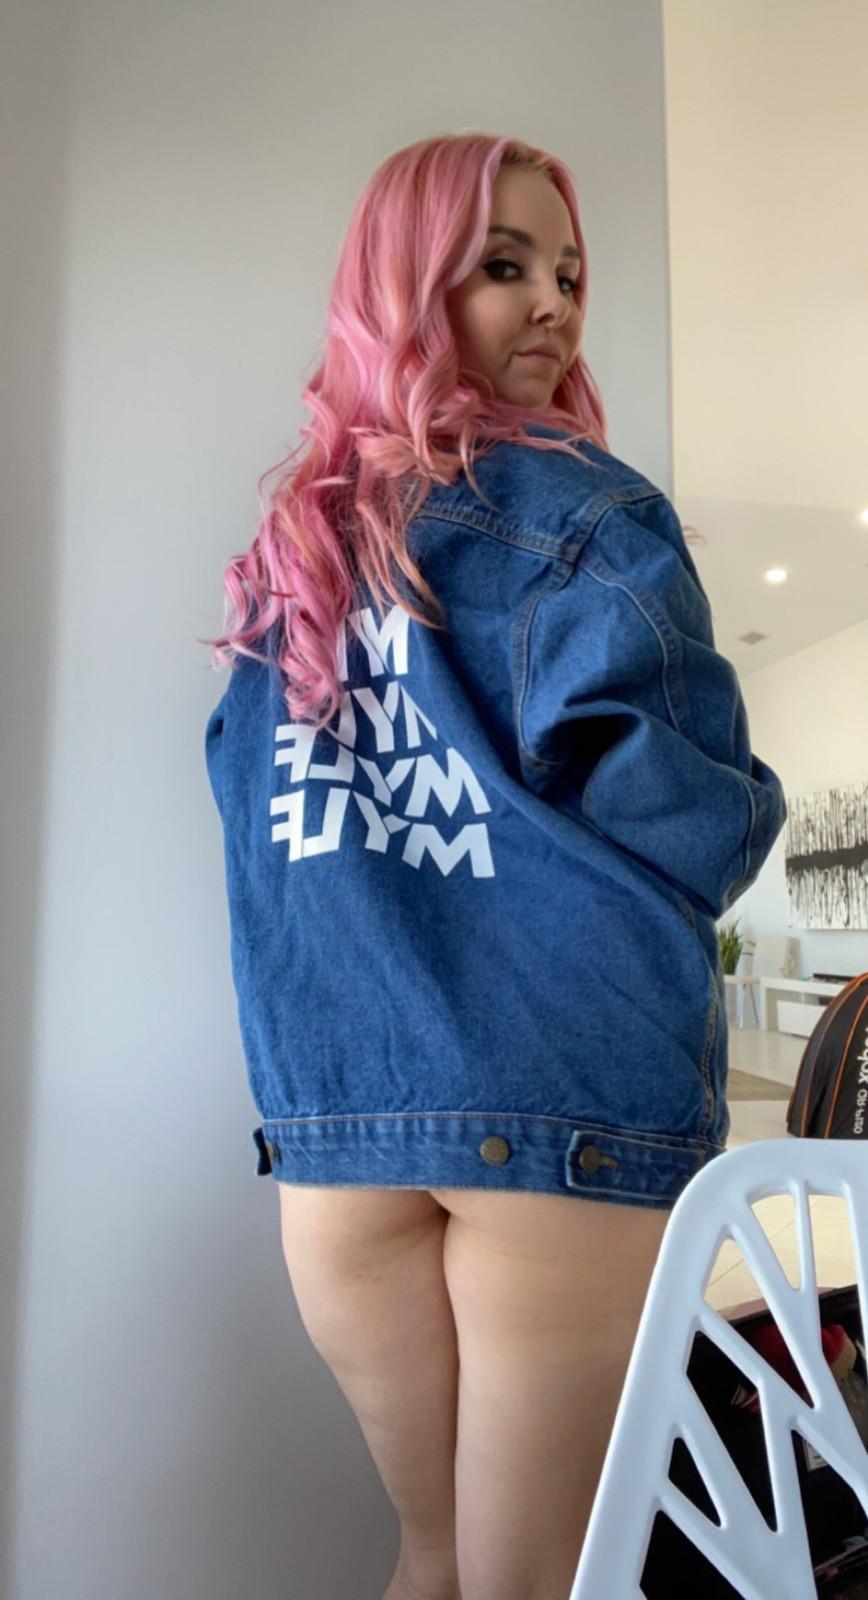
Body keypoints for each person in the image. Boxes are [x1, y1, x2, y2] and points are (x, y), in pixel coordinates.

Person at [201, 133, 787, 1600]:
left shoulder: (293, 563)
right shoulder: (588, 511)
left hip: (343, 1120)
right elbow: (685, 815)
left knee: (437, 1558)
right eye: (504, 266)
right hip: (561, 1106)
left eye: (569, 274)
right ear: (406, 285)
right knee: (535, 1580)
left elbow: (254, 824)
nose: (554, 305)